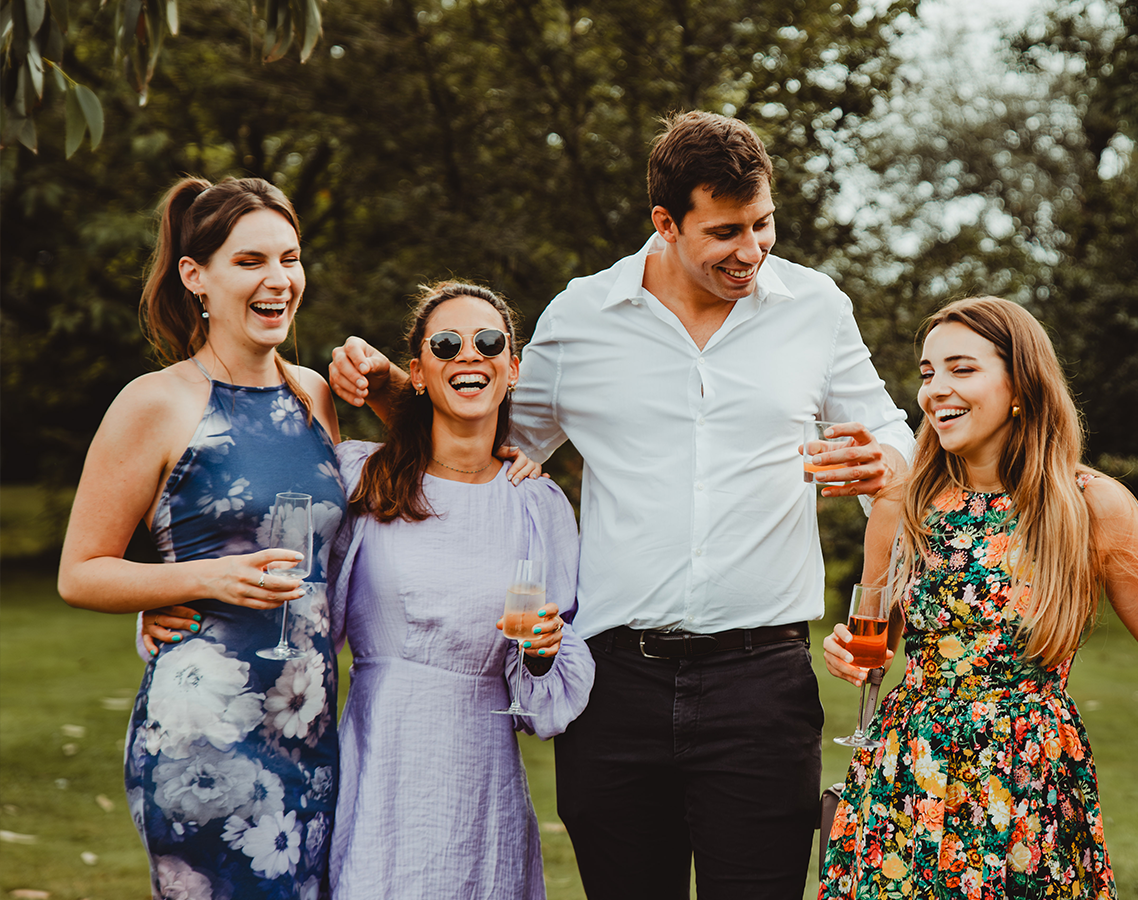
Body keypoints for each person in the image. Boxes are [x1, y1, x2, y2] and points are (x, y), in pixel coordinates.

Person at [328, 110, 914, 898]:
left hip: (761, 683)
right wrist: (394, 389)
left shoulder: (815, 307)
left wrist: (886, 458)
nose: (752, 250)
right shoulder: (582, 316)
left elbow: (892, 432)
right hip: (614, 689)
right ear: (665, 223)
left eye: (764, 223)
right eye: (727, 232)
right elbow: (482, 440)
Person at [817, 296, 1138, 899]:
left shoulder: (1092, 505)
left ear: (1020, 385)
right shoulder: (901, 504)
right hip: (907, 776)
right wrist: (848, 653)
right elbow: (876, 644)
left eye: (962, 369)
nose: (935, 390)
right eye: (928, 373)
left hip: (1028, 779)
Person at [57, 176, 345, 900]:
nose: (279, 279)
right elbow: (81, 571)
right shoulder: (156, 402)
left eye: (291, 257)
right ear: (197, 278)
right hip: (204, 740)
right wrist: (199, 580)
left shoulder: (314, 395)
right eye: (251, 262)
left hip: (309, 732)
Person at [322, 281, 593, 899]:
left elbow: (543, 700)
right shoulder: (363, 476)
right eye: (446, 344)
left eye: (488, 341)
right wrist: (177, 594)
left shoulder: (539, 504)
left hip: (483, 771)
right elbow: (287, 576)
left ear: (513, 368)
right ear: (416, 373)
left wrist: (544, 651)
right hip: (381, 751)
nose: (469, 354)